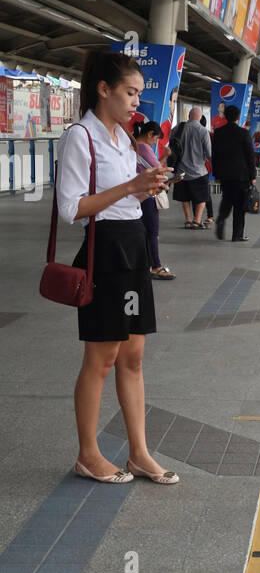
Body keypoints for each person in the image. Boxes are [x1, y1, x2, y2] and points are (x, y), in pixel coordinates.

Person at [55, 49, 179, 485]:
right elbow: (72, 208)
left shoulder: (124, 139)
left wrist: (147, 189)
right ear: (103, 89)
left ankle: (139, 453)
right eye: (130, 92)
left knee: (133, 356)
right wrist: (131, 184)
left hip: (132, 249)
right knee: (101, 357)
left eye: (139, 94)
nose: (136, 103)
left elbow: (125, 199)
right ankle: (88, 454)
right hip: (104, 251)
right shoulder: (80, 137)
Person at [133, 119, 175, 281]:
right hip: (147, 193)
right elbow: (158, 169)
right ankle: (156, 266)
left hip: (136, 193)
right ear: (150, 134)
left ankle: (145, 264)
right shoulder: (143, 147)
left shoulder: (133, 145)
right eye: (156, 138)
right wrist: (165, 157)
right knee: (152, 231)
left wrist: (163, 157)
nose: (155, 142)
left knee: (143, 231)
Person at [211, 104, 257, 242]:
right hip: (241, 175)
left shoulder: (218, 133)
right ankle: (237, 235)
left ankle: (221, 218)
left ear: (225, 116)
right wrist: (253, 175)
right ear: (238, 117)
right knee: (239, 206)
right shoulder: (243, 133)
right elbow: (250, 156)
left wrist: (216, 175)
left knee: (227, 199)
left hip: (225, 175)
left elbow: (215, 156)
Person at [172, 106, 211, 227]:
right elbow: (209, 154)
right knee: (202, 197)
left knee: (184, 197)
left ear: (189, 116)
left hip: (180, 171)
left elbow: (171, 146)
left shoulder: (177, 128)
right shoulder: (203, 131)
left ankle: (188, 220)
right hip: (199, 171)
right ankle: (196, 221)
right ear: (200, 118)